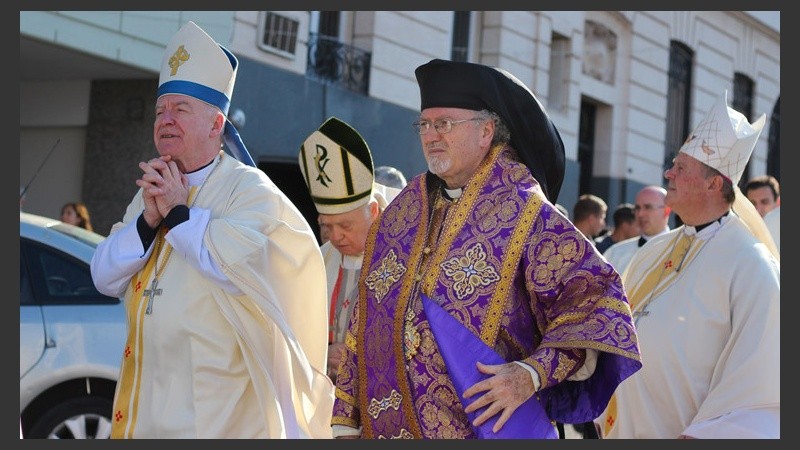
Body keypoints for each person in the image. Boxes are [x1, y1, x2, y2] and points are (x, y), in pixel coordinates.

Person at [331, 58, 642, 439]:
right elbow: (364, 317)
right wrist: (345, 419)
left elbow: (595, 300)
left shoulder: (525, 210)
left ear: (486, 131)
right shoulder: (401, 213)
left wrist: (530, 374)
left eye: (444, 124)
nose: (430, 135)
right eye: (424, 125)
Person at [90, 21, 333, 438]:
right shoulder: (148, 191)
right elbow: (103, 276)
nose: (166, 119)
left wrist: (178, 213)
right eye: (160, 110)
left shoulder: (251, 192)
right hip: (145, 411)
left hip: (217, 419)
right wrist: (150, 220)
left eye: (181, 109)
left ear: (216, 125)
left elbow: (241, 267)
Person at [596, 92, 779, 438]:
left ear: (713, 183)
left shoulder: (751, 264)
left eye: (681, 167)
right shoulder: (656, 249)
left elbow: (759, 376)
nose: (668, 172)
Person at [297, 116, 400, 383]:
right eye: (327, 226)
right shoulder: (319, 259)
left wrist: (361, 360)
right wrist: (322, 354)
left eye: (345, 224)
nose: (336, 237)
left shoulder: (404, 254)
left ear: (374, 211)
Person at [602, 185, 671, 274]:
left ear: (667, 211)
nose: (640, 214)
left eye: (648, 207)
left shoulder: (681, 251)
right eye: (637, 208)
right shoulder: (615, 253)